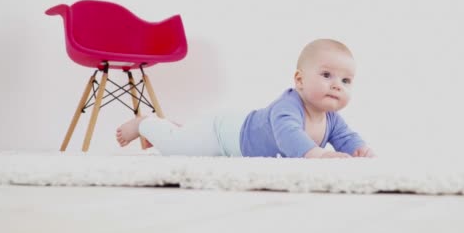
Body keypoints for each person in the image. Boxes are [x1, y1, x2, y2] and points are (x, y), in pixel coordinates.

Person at [116, 38, 375, 158]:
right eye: (327, 75)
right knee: (178, 148)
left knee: (186, 138)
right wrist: (316, 155)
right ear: (300, 80)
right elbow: (289, 136)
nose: (337, 86)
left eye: (346, 81)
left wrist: (361, 151)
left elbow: (346, 138)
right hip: (221, 133)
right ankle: (146, 124)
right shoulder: (288, 106)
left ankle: (175, 127)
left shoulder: (331, 118)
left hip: (238, 125)